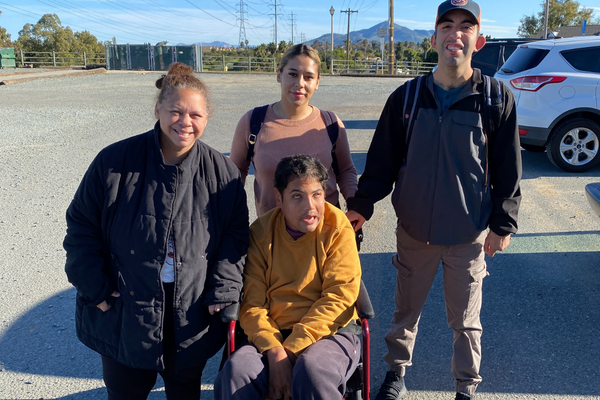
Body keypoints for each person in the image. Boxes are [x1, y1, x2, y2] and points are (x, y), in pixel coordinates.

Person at [346, 1, 522, 399]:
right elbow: (381, 164)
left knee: (465, 320)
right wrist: (362, 204)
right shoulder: (407, 98)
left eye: (465, 27)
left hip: (468, 233)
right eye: (447, 25)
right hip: (414, 233)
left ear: (479, 40)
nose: (455, 34)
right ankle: (396, 374)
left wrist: (502, 224)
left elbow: (509, 170)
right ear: (434, 38)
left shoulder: (495, 99)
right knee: (405, 311)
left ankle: (466, 386)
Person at [63, 62, 249, 400]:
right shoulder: (114, 162)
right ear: (158, 109)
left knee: (184, 392)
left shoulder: (222, 172)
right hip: (125, 311)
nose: (185, 122)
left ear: (207, 118)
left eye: (195, 115)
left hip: (190, 313)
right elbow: (81, 227)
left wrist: (224, 289)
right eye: (176, 111)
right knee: (125, 393)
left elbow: (235, 236)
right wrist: (97, 289)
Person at [214, 155, 362, 400]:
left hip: (330, 332)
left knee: (313, 371)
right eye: (297, 196)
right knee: (237, 372)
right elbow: (252, 304)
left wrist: (290, 351)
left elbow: (339, 297)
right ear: (278, 198)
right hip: (273, 331)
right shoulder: (261, 232)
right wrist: (274, 351)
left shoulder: (337, 228)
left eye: (317, 195)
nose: (310, 206)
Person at [229, 44, 358, 217]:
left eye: (308, 77)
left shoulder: (330, 123)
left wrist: (354, 203)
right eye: (292, 74)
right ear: (279, 75)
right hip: (272, 236)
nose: (299, 84)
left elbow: (346, 170)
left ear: (317, 81)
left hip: (324, 235)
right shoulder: (252, 122)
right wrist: (229, 213)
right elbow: (235, 173)